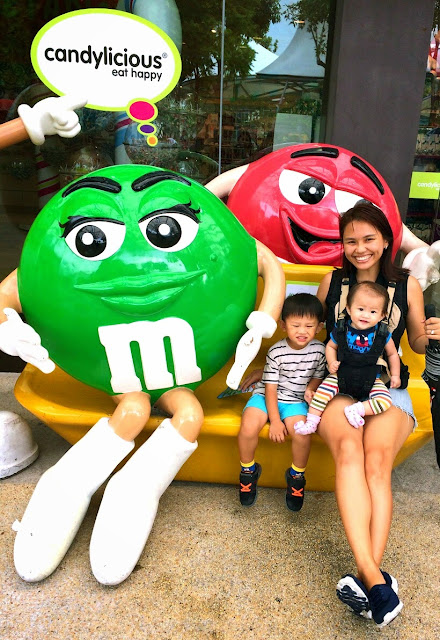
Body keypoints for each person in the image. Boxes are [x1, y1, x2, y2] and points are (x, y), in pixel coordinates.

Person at [239, 201, 440, 628]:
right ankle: (376, 581)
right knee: (349, 451)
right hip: (337, 387)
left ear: (386, 241)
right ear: (342, 244)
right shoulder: (332, 282)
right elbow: (311, 335)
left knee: (377, 462)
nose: (359, 248)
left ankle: (370, 580)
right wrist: (272, 368)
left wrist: (432, 332)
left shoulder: (407, 286)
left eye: (369, 239)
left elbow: (417, 344)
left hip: (386, 389)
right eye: (351, 240)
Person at [238, 293, 326, 511]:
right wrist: (275, 421)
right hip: (266, 396)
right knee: (248, 427)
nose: (302, 331)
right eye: (296, 325)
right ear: (284, 325)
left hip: (295, 401)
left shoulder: (320, 351)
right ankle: (248, 471)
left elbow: (318, 375)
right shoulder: (276, 352)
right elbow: (270, 389)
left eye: (309, 326)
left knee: (302, 434)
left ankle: (296, 476)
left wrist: (311, 388)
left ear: (319, 327)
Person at [294, 281, 401, 435]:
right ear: (349, 309)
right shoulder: (341, 329)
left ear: (382, 315)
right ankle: (311, 422)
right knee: (321, 394)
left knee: (385, 400)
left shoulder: (382, 334)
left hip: (370, 378)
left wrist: (395, 375)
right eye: (360, 309)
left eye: (373, 312)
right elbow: (331, 347)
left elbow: (392, 354)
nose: (365, 315)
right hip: (341, 375)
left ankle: (357, 409)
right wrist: (332, 362)